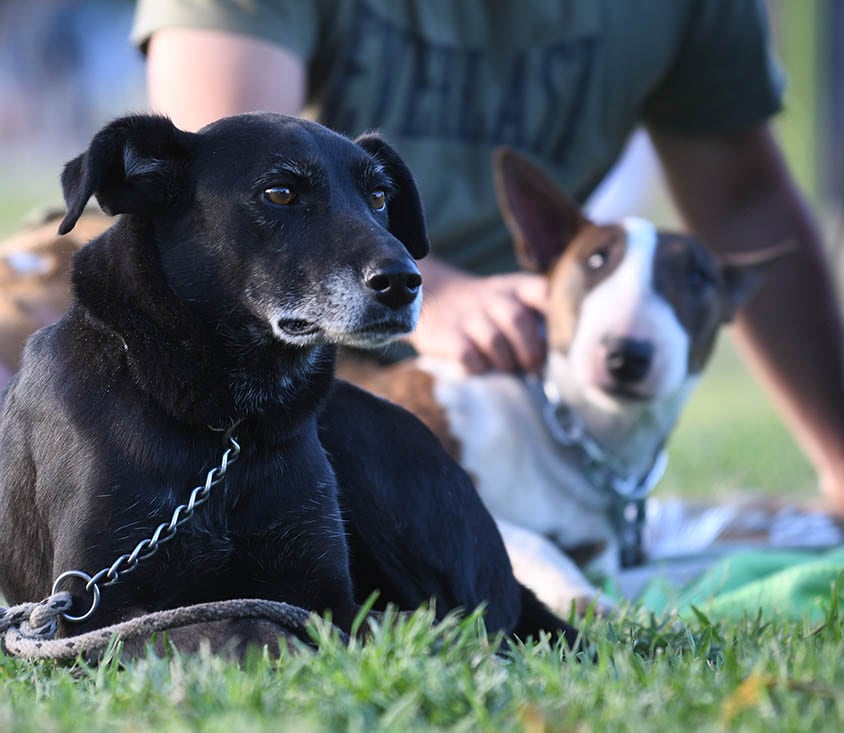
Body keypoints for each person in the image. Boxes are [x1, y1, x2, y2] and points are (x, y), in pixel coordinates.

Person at [132, 0, 844, 513]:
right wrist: (434, 290)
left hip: (498, 353)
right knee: (40, 378)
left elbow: (743, 201)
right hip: (211, 309)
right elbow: (222, 175)